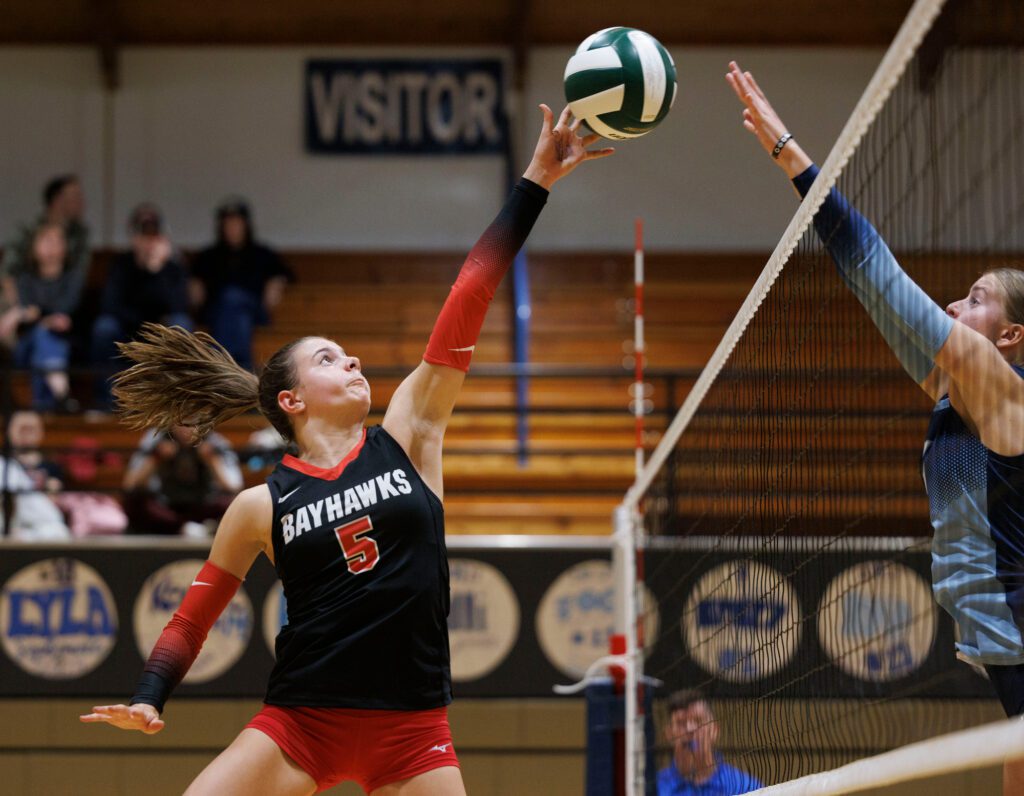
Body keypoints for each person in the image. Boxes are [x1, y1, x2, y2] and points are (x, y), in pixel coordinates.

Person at [80, 104, 612, 796]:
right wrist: (151, 696)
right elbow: (193, 616)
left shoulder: (410, 433)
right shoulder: (258, 505)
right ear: (293, 400)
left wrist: (536, 179)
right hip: (299, 725)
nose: (354, 358)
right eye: (330, 358)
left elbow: (470, 293)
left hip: (414, 731)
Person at [727, 60, 1024, 793]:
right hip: (1005, 647)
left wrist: (791, 155)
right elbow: (877, 299)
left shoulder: (995, 385)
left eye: (977, 299)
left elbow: (880, 273)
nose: (957, 306)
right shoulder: (952, 393)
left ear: (1011, 337)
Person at [91, 203, 193, 409]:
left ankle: (177, 399)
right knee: (104, 327)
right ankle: (104, 401)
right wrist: (144, 272)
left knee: (181, 324)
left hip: (160, 333)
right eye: (143, 235)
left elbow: (179, 306)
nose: (148, 241)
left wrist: (156, 270)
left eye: (153, 235)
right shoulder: (122, 265)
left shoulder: (172, 268)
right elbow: (110, 306)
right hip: (126, 331)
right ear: (133, 238)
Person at [190, 197, 294, 370]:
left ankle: (220, 366)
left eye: (237, 223)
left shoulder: (261, 253)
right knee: (236, 313)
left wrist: (277, 281)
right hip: (217, 313)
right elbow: (191, 277)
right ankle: (242, 367)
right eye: (228, 224)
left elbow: (287, 273)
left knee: (235, 302)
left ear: (246, 226)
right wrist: (194, 285)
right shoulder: (209, 256)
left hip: (254, 311)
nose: (232, 229)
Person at [0, 223, 84, 411]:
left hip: (67, 344)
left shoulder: (73, 277)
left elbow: (65, 310)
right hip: (26, 347)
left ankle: (43, 405)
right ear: (34, 247)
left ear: (65, 247)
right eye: (46, 240)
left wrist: (28, 314)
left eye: (56, 240)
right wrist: (43, 318)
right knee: (41, 335)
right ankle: (61, 395)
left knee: (45, 337)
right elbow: (29, 316)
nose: (51, 246)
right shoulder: (25, 278)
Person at [122, 425, 243, 536]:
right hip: (166, 506)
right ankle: (187, 528)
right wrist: (156, 458)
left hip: (203, 505)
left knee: (233, 503)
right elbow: (130, 485)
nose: (186, 429)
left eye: (191, 423)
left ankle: (183, 528)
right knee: (135, 502)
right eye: (181, 423)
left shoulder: (214, 441)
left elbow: (234, 487)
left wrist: (212, 461)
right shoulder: (156, 438)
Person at [1, 174, 90, 317]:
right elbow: (8, 274)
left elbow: (79, 277)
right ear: (57, 200)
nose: (82, 202)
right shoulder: (28, 232)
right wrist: (16, 312)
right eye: (75, 197)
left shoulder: (80, 235)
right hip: (23, 300)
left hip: (62, 306)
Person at [658, 689, 761, 796]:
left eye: (698, 721)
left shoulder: (745, 787)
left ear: (714, 730)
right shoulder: (652, 788)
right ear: (669, 734)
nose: (690, 729)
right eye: (681, 723)